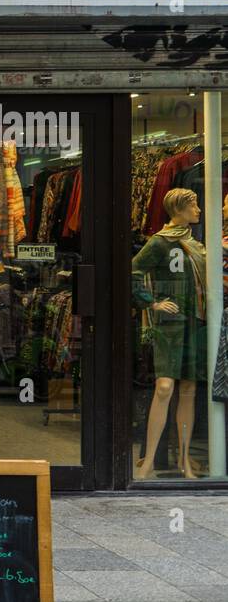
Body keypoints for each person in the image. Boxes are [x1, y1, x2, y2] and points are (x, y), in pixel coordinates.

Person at [132, 188, 208, 479]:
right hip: (171, 324)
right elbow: (133, 270)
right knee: (165, 387)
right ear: (178, 209)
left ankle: (185, 460)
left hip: (196, 323)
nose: (199, 210)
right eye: (194, 205)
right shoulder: (160, 242)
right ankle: (149, 459)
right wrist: (151, 302)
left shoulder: (196, 243)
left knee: (188, 389)